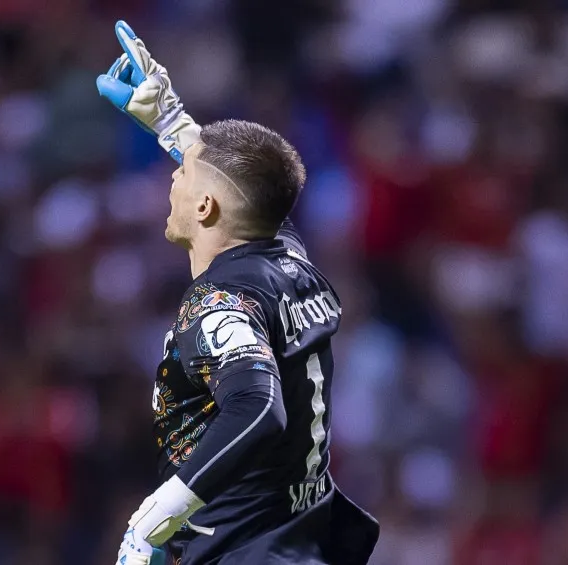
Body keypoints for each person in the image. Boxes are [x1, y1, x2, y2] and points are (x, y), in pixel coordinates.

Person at [96, 21, 379, 565]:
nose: (173, 179)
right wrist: (171, 119)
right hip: (299, 548)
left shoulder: (219, 303)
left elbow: (256, 408)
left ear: (205, 208)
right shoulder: (294, 263)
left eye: (184, 175)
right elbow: (248, 192)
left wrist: (151, 521)